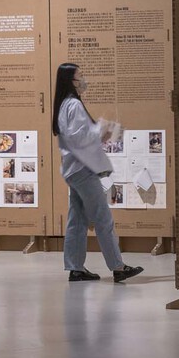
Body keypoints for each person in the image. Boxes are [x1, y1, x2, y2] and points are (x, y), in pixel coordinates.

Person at [52, 63, 143, 285]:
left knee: (78, 218)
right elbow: (79, 137)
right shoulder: (73, 104)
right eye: (80, 76)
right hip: (83, 169)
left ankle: (75, 268)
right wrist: (104, 130)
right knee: (103, 218)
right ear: (70, 82)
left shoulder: (64, 104)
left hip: (73, 169)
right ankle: (118, 267)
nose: (84, 80)